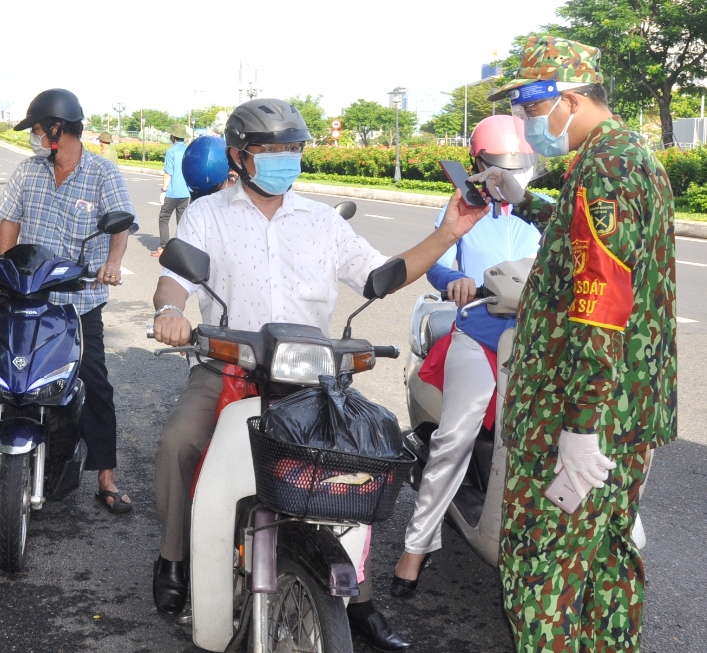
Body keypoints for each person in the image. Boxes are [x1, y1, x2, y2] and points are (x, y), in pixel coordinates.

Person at [150, 97, 489, 650]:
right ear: (239, 156)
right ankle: (173, 557)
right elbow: (175, 280)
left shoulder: (321, 222)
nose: (285, 158)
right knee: (178, 442)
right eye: (271, 149)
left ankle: (360, 596)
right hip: (227, 367)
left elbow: (381, 276)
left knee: (356, 463)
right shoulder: (206, 214)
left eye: (293, 148)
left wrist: (449, 233)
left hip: (312, 377)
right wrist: (169, 314)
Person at [468, 36, 677, 652]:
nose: (530, 125)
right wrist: (525, 201)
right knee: (603, 570)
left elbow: (600, 310)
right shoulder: (629, 154)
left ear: (564, 99)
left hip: (581, 413)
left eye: (531, 110)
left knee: (543, 575)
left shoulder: (604, 170)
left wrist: (581, 427)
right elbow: (591, 251)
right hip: (624, 410)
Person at [0, 89, 139, 515]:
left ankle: (106, 476)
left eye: (35, 128)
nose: (32, 136)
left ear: (56, 129)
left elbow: (121, 226)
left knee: (94, 379)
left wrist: (113, 263)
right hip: (22, 290)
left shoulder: (102, 173)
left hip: (76, 299)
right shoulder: (28, 171)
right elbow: (9, 223)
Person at [391, 115, 542, 596]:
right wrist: (450, 281)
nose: (510, 178)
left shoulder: (536, 218)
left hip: (532, 341)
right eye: (500, 169)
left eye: (519, 169)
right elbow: (436, 260)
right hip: (476, 333)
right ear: (478, 166)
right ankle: (415, 548)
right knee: (454, 439)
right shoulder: (462, 210)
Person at [151, 125, 191, 257]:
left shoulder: (171, 151)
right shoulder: (188, 150)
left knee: (164, 218)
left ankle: (164, 247)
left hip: (173, 192)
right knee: (181, 220)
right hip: (185, 192)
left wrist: (163, 189)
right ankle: (182, 248)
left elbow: (168, 172)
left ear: (173, 137)